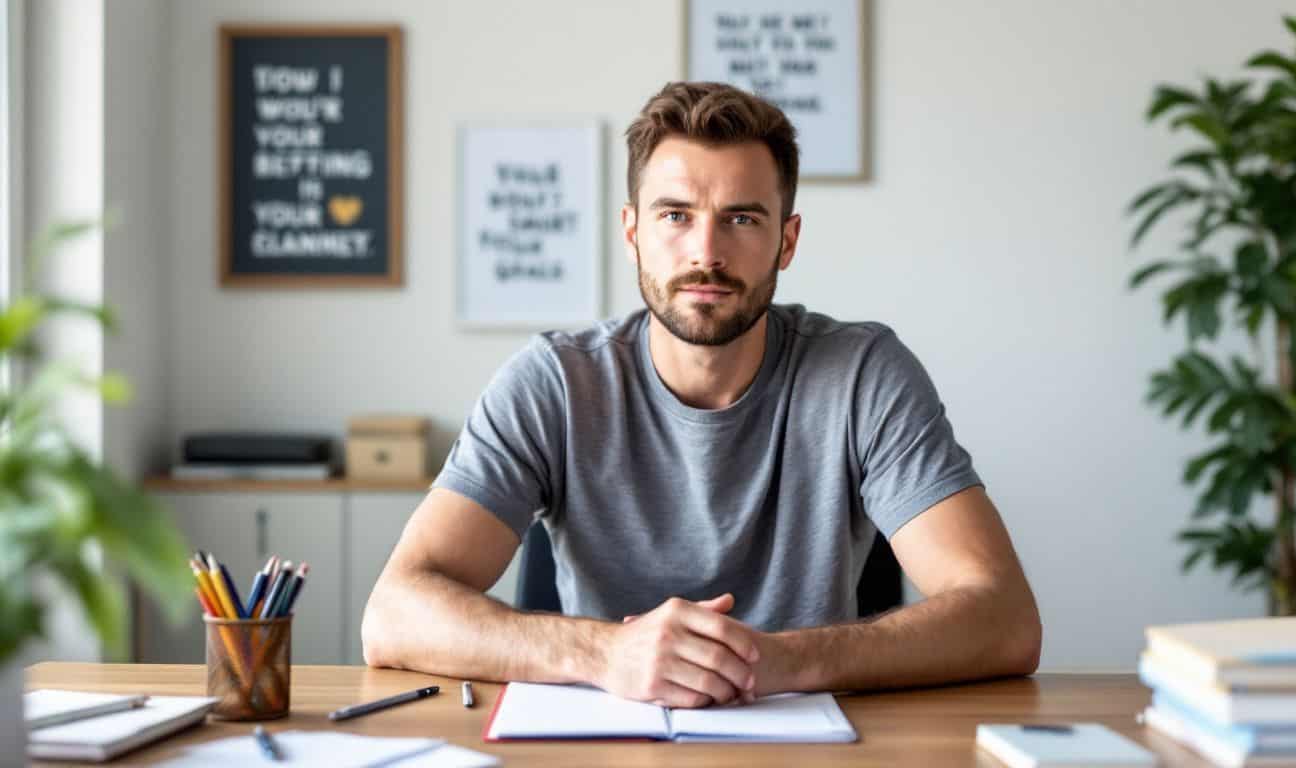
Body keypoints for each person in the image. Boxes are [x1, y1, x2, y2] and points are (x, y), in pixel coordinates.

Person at [363, 81, 1041, 708]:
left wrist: (780, 660)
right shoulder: (554, 385)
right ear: (633, 233)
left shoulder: (864, 375)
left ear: (787, 239)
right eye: (676, 215)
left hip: (808, 744)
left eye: (741, 218)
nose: (706, 251)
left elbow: (1005, 617)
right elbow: (394, 614)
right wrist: (605, 653)